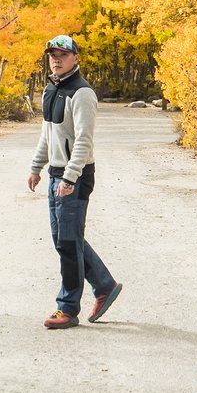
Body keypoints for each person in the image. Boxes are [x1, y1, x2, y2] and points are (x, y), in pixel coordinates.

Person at [26, 34, 121, 328]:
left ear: (76, 58)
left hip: (75, 176)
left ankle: (67, 308)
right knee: (64, 239)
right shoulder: (51, 89)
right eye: (52, 54)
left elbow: (83, 142)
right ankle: (104, 285)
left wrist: (69, 177)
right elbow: (48, 134)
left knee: (67, 241)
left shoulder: (82, 93)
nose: (56, 59)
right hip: (57, 173)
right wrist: (36, 166)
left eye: (62, 55)